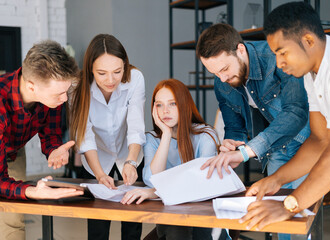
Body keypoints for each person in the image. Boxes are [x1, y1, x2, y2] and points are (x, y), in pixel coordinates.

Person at [239, 1, 330, 230]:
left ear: (308, 41)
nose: (279, 63)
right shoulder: (312, 74)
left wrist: (288, 205)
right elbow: (319, 140)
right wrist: (276, 179)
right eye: (275, 54)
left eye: (282, 52)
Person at [196, 23, 310, 189]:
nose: (222, 78)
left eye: (225, 68)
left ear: (240, 50)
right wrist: (231, 146)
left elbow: (295, 113)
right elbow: (234, 127)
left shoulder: (276, 58)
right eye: (215, 73)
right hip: (276, 146)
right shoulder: (222, 81)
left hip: (306, 141)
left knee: (305, 207)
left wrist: (246, 152)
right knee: (278, 207)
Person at [0, 40, 83, 240]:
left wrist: (53, 149)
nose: (65, 99)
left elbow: (50, 131)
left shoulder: (50, 97)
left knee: (12, 217)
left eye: (66, 91)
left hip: (12, 150)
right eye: (59, 93)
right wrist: (32, 191)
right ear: (31, 87)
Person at [120, 79, 220, 240]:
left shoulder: (206, 135)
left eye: (172, 104)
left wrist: (154, 193)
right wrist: (166, 135)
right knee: (174, 222)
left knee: (176, 223)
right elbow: (152, 179)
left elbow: (202, 183)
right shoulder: (152, 138)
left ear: (184, 104)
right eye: (159, 105)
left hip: (205, 221)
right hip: (173, 223)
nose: (165, 111)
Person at [69, 34, 145, 240]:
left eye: (117, 72)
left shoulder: (135, 79)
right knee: (98, 222)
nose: (110, 80)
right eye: (102, 73)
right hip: (96, 157)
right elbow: (84, 135)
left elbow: (136, 126)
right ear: (91, 70)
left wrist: (131, 161)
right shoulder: (78, 86)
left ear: (125, 66)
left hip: (128, 152)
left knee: (131, 219)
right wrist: (100, 174)